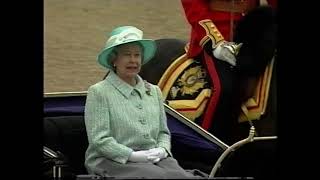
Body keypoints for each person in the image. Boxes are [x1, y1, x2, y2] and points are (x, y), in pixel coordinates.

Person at [84, 26, 208, 179]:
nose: (133, 60)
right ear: (114, 60)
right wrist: (133, 156)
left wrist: (162, 149)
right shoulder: (99, 92)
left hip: (154, 158)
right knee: (158, 177)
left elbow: (163, 133)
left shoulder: (154, 91)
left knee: (182, 176)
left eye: (137, 55)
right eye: (127, 55)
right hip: (111, 161)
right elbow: (100, 141)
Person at [180, 0, 277, 144]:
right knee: (223, 88)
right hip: (217, 35)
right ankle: (208, 144)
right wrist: (215, 42)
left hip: (253, 33)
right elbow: (193, 5)